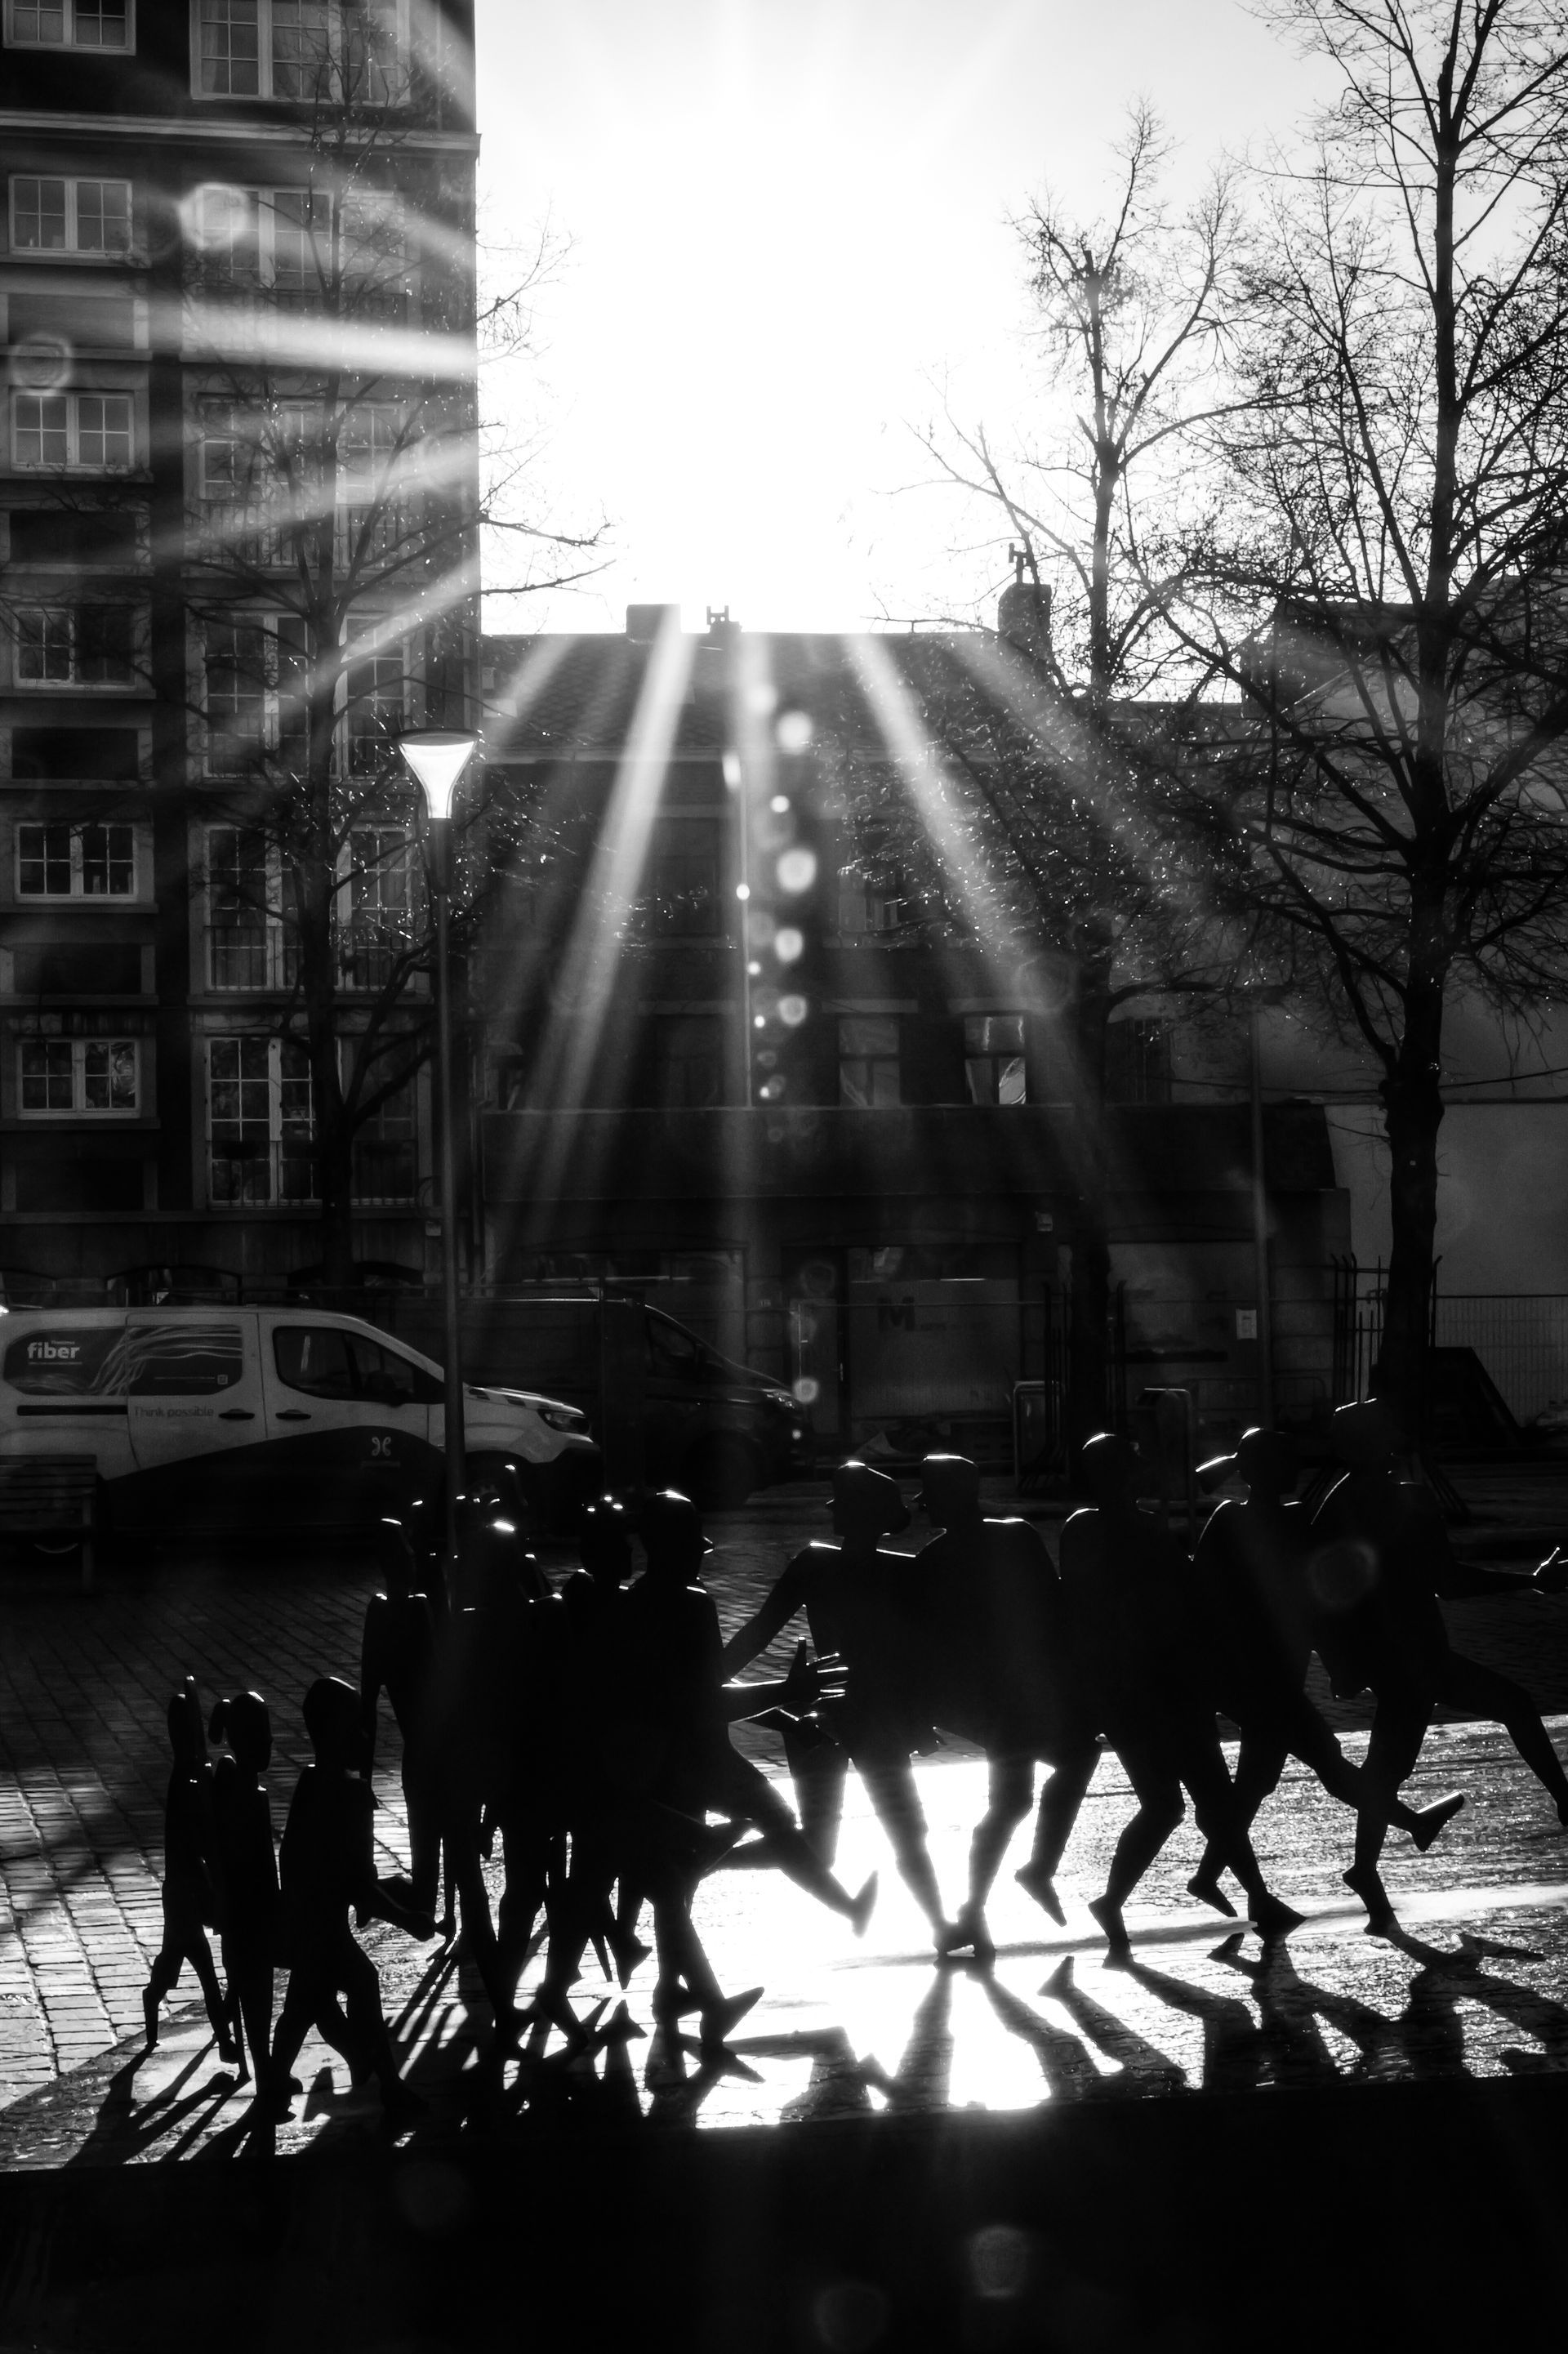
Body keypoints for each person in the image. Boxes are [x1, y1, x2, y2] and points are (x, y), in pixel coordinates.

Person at [615, 1490, 877, 2047]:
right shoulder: (691, 1606)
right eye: (692, 1548)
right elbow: (709, 1699)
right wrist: (789, 1694)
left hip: (671, 1759)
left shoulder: (634, 1605)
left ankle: (674, 1989)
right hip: (700, 1757)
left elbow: (706, 1691)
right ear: (667, 1547)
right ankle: (690, 1984)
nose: (700, 1559)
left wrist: (786, 1715)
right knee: (766, 1828)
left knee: (679, 1883)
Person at [1309, 1398, 1568, 1927]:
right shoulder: (1406, 1499)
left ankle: (1366, 1865)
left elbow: (1318, 1590)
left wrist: (1341, 1660)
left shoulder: (1335, 1502)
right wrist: (1530, 1582)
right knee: (1510, 1706)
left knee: (1390, 1765)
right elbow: (1447, 1583)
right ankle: (1564, 1800)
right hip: (1416, 1654)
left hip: (1392, 1656)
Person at [1186, 1427, 1464, 1915]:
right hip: (1260, 1677)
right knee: (1329, 1763)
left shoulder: (1234, 1518)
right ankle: (1412, 1824)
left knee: (1256, 1781)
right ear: (1267, 1470)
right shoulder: (1282, 1523)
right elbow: (1317, 1603)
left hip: (1264, 1674)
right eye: (1286, 1462)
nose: (1298, 1469)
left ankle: (1211, 1878)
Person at [1058, 1434, 1304, 1956]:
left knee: (1204, 1799)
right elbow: (1100, 1610)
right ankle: (1117, 1900)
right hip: (1134, 1688)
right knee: (1167, 1804)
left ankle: (1257, 1898)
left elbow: (1183, 1592)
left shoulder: (1135, 1526)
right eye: (1129, 1469)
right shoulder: (1094, 1529)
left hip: (1166, 1681)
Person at [721, 1460, 958, 1949]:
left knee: (854, 1838)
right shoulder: (894, 1571)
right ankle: (939, 1926)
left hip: (833, 1718)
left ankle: (703, 1856)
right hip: (854, 1718)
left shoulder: (825, 1564)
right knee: (889, 1832)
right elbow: (921, 1658)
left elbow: (758, 1633)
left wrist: (708, 1680)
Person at [913, 1455, 1101, 1955]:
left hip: (997, 1698)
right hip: (1023, 1690)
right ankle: (1022, 1878)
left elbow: (929, 1643)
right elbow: (1054, 1606)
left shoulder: (935, 1559)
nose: (926, 1505)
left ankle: (983, 1905)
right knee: (1061, 1767)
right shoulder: (1014, 1535)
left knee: (1015, 1799)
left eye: (930, 1495)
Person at [266, 1675, 434, 2121]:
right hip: (324, 1927)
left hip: (310, 1920)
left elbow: (296, 1860)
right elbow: (360, 1885)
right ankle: (388, 2087)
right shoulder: (351, 1795)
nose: (365, 1735)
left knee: (306, 2005)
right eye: (357, 1726)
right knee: (335, 1993)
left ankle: (281, 2087)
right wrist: (406, 1919)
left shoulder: (310, 1782)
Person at [142, 1676, 237, 2062]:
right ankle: (225, 2038)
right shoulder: (184, 1782)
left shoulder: (192, 1776)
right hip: (183, 1897)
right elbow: (196, 1840)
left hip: (189, 1892)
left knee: (182, 1970)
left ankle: (224, 2036)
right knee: (192, 1971)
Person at [359, 1519, 444, 1926]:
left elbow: (368, 1700)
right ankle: (400, 1903)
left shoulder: (378, 1613)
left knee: (427, 1847)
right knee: (441, 1848)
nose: (413, 1559)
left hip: (418, 1752)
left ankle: (394, 1900)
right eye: (406, 1553)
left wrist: (364, 1779)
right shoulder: (417, 1607)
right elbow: (442, 1679)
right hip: (436, 1747)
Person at [208, 1688, 282, 2098]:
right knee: (256, 1998)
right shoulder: (248, 1798)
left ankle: (265, 2067)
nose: (271, 1743)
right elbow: (256, 1866)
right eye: (264, 1734)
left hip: (244, 1912)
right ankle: (266, 2072)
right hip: (249, 1913)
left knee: (251, 1994)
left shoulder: (237, 1788)